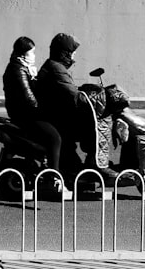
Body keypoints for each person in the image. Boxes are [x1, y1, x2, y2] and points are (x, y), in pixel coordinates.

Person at [36, 33, 117, 184]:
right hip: (56, 117)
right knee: (99, 122)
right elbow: (74, 96)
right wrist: (100, 98)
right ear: (65, 52)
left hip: (55, 114)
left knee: (88, 121)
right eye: (72, 52)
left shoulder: (54, 66)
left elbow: (67, 90)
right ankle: (98, 164)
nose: (74, 56)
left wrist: (86, 91)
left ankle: (81, 166)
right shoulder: (57, 69)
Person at [2, 36, 63, 191]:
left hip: (26, 113)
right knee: (54, 137)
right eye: (32, 52)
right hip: (25, 115)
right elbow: (29, 98)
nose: (34, 56)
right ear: (23, 54)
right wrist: (45, 111)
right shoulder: (17, 70)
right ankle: (53, 178)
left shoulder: (22, 67)